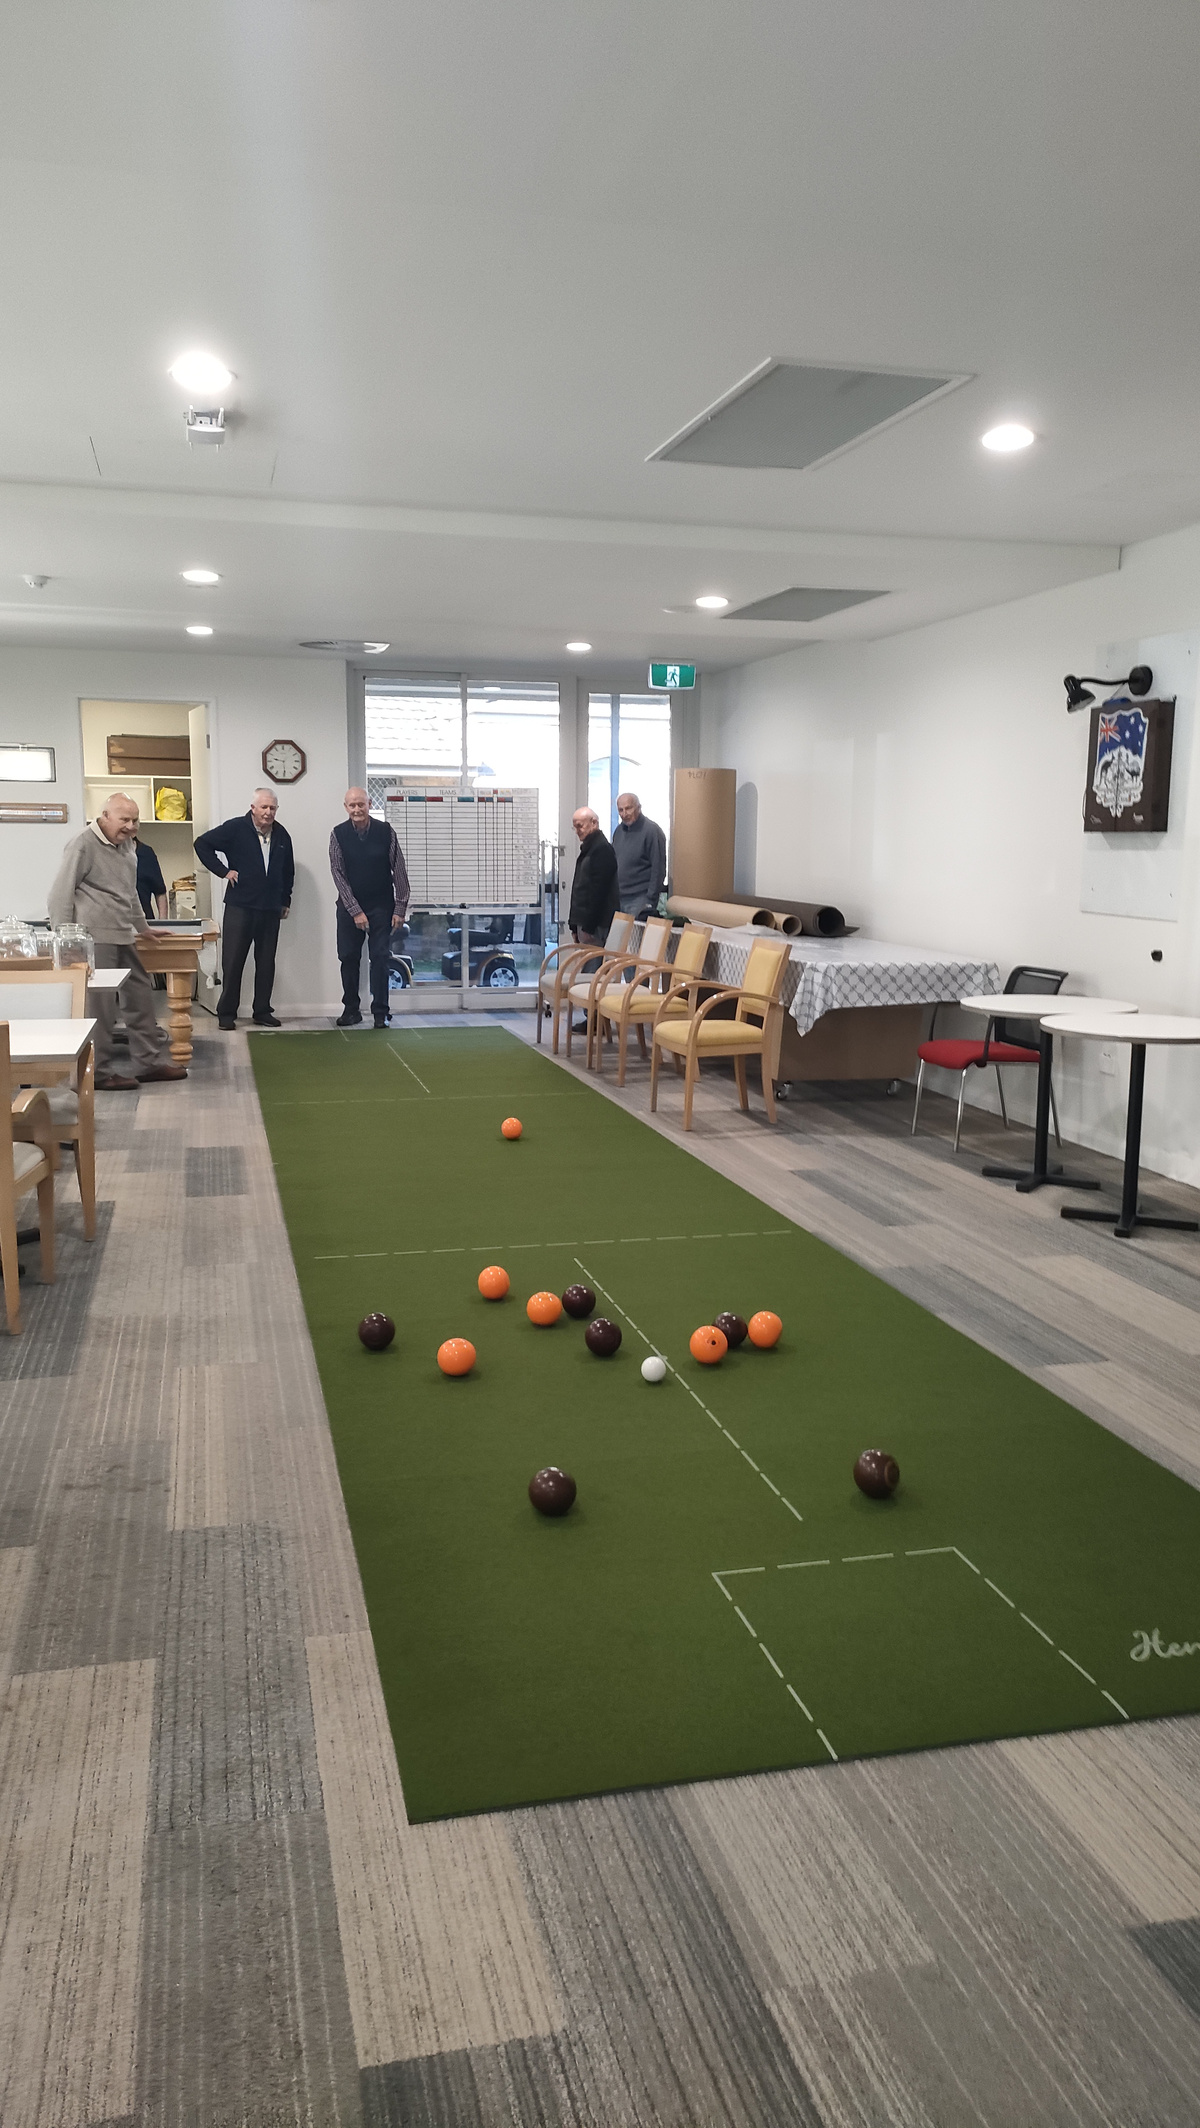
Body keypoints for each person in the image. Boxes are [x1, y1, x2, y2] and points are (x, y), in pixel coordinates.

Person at [47, 793, 187, 1089]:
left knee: (140, 999)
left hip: (124, 935)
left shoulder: (128, 848)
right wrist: (65, 939)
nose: (131, 826)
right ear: (105, 816)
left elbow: (130, 893)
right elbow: (60, 893)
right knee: (100, 1009)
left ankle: (148, 1064)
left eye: (135, 820)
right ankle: (97, 1074)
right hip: (94, 939)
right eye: (124, 819)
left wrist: (144, 927)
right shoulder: (83, 843)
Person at [194, 789, 294, 1029]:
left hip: (270, 908)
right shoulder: (236, 828)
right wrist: (223, 871)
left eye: (272, 808)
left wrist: (285, 900)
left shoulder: (282, 835)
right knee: (233, 961)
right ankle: (227, 1014)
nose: (268, 812)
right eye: (264, 807)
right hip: (240, 906)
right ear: (253, 808)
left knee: (266, 962)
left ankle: (262, 1011)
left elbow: (288, 870)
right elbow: (202, 844)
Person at [329, 789, 411, 1028]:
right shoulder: (338, 834)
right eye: (352, 805)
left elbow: (400, 870)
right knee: (348, 957)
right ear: (345, 807)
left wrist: (400, 907)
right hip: (348, 906)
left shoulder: (386, 832)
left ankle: (380, 1013)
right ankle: (351, 1010)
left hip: (381, 906)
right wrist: (355, 910)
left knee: (380, 958)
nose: (357, 809)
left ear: (369, 804)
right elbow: (338, 873)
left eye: (361, 805)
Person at [613, 791, 667, 920]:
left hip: (640, 899)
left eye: (628, 808)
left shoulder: (652, 831)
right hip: (619, 898)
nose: (624, 814)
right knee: (622, 939)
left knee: (635, 939)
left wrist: (650, 901)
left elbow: (658, 869)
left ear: (638, 807)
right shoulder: (619, 831)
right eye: (621, 810)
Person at [132, 834, 168, 920]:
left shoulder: (146, 853)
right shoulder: (104, 853)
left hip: (144, 921)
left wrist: (163, 922)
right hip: (110, 924)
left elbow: (160, 891)